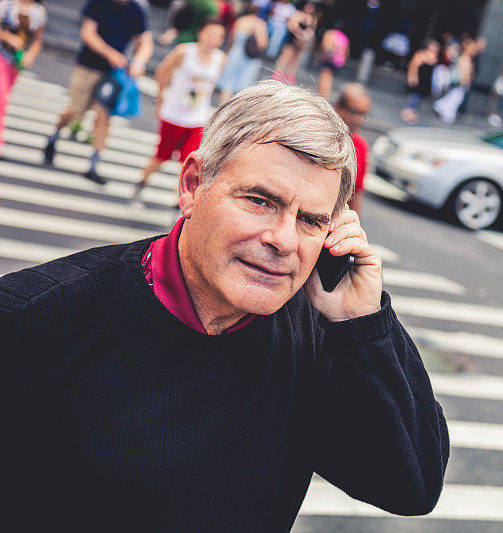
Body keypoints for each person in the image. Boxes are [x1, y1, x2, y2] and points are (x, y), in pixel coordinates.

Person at [3, 80, 449, 530]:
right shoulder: (34, 317)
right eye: (259, 201)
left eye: (312, 220)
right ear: (193, 185)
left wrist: (364, 326)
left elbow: (411, 484)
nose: (283, 239)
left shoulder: (316, 342)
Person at [42, 0, 153, 185]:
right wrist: (109, 53)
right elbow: (88, 33)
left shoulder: (137, 9)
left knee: (103, 116)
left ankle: (93, 165)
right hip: (88, 66)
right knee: (76, 109)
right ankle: (54, 136)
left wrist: (139, 61)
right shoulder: (99, 3)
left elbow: (145, 42)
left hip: (113, 73)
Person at [130, 18, 226, 208]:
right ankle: (141, 183)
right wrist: (160, 97)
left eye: (219, 36)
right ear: (201, 33)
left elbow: (214, 86)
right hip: (173, 115)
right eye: (210, 34)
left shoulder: (221, 59)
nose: (213, 39)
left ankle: (179, 205)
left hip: (197, 119)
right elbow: (161, 72)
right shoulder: (184, 51)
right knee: (161, 157)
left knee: (190, 163)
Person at [0, 0, 46, 153]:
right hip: (1, 55)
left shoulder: (39, 11)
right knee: (2, 100)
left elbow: (37, 41)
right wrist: (8, 37)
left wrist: (30, 56)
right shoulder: (6, 4)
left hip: (16, 62)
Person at [217, 1, 268, 103]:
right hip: (249, 58)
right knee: (243, 84)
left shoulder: (240, 21)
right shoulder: (260, 24)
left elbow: (231, 39)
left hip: (235, 53)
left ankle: (222, 107)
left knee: (228, 83)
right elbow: (262, 44)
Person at [334, 83, 370, 215]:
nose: (358, 119)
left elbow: (356, 192)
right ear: (338, 106)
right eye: (354, 112)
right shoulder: (317, 134)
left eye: (363, 115)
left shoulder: (360, 146)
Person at [432, 38, 478, 124]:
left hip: (459, 82)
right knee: (456, 98)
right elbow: (464, 71)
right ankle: (445, 112)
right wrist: (466, 81)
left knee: (454, 97)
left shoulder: (463, 57)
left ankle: (443, 109)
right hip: (460, 82)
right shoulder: (465, 58)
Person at [272, 0, 316, 84]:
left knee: (295, 59)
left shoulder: (312, 19)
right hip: (292, 39)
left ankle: (290, 75)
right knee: (286, 56)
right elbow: (292, 26)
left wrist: (305, 36)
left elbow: (311, 30)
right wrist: (300, 35)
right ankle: (278, 73)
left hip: (301, 42)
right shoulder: (297, 14)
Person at [400, 38, 439, 124]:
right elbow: (413, 66)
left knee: (420, 99)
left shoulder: (434, 57)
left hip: (427, 82)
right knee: (414, 98)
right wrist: (412, 77)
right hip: (419, 79)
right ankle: (408, 113)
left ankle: (413, 114)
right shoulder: (420, 55)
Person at [316, 22, 349, 101]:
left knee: (324, 78)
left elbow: (325, 46)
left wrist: (321, 55)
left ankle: (321, 96)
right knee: (330, 79)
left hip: (329, 59)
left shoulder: (330, 33)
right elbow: (347, 51)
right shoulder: (344, 37)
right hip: (338, 61)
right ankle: (325, 96)